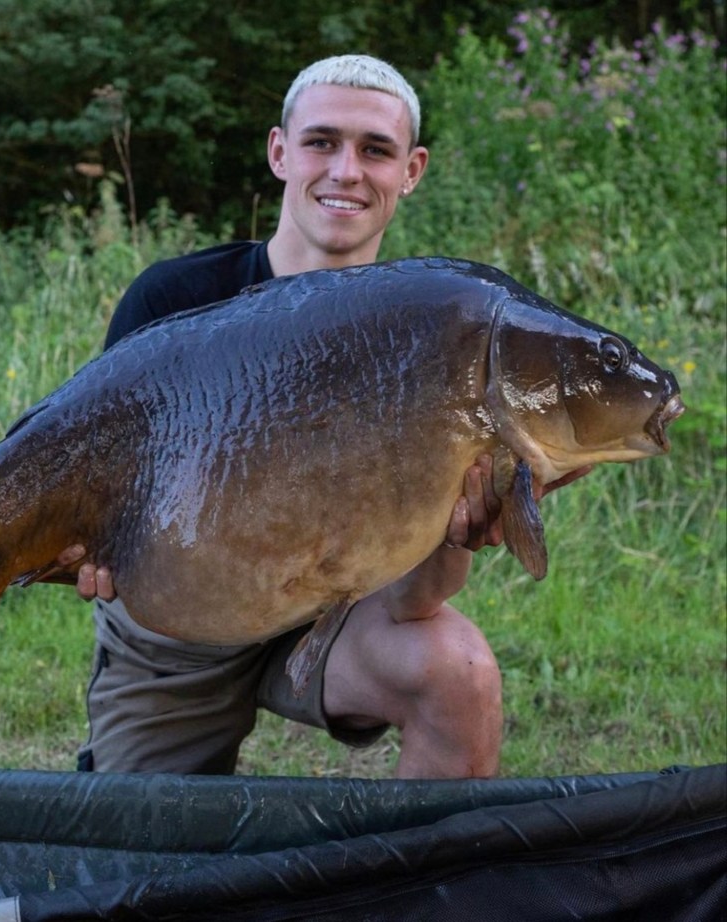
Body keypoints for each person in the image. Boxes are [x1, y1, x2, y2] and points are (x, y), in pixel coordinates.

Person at [59, 54, 587, 778]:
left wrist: (466, 530)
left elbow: (416, 599)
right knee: (148, 872)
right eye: (321, 142)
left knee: (460, 672)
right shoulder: (174, 302)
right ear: (280, 152)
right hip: (182, 627)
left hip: (342, 612)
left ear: (413, 170)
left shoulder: (437, 328)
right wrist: (87, 549)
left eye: (376, 150)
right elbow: (96, 484)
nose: (346, 170)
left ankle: (422, 890)